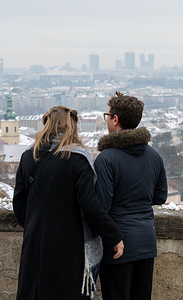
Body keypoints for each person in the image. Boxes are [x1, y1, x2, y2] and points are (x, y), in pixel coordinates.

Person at [13, 106, 124, 300]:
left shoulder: (28, 157)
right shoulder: (76, 159)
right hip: (68, 243)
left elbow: (19, 202)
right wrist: (114, 235)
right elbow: (90, 205)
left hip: (34, 242)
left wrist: (34, 225)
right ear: (72, 127)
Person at [94, 92, 167, 300]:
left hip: (118, 243)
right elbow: (160, 196)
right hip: (146, 240)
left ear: (115, 120)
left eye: (107, 115)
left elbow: (102, 205)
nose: (107, 119)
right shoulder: (154, 155)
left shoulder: (106, 158)